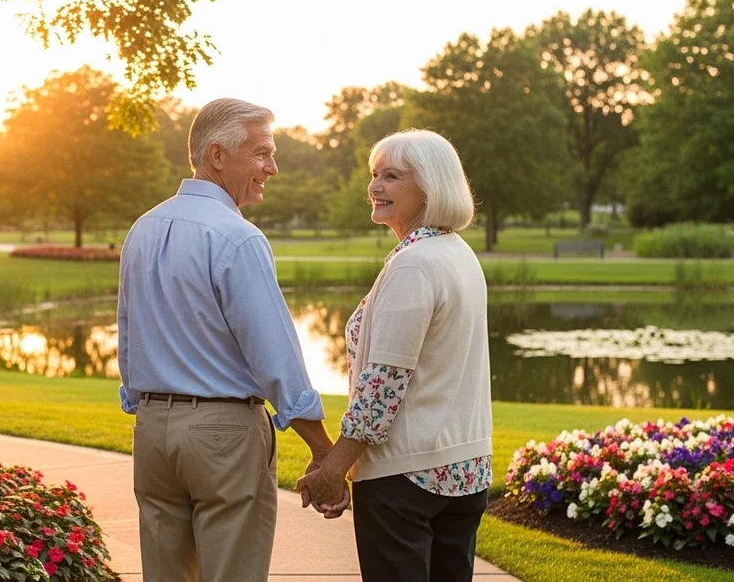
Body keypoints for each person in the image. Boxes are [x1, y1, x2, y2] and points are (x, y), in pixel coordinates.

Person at [117, 97, 336, 582]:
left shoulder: (142, 229)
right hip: (224, 436)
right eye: (261, 153)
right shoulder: (238, 237)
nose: (272, 167)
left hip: (152, 433)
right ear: (217, 155)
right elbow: (276, 358)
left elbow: (127, 340)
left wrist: (147, 410)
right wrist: (323, 451)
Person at [296, 129, 493, 582]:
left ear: (429, 186)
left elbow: (382, 388)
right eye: (374, 174)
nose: (375, 186)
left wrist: (333, 468)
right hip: (466, 472)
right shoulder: (458, 254)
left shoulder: (414, 264)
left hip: (408, 478)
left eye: (392, 176)